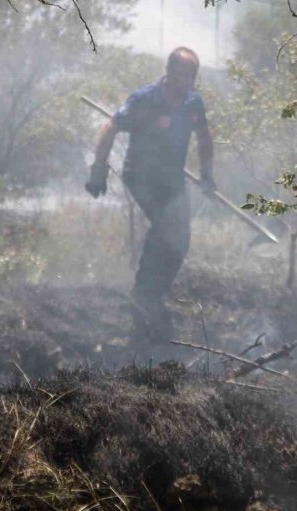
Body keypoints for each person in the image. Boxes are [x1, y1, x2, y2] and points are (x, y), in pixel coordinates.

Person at [85, 47, 215, 343]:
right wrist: (98, 169)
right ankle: (143, 295)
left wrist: (207, 175)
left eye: (191, 76)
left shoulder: (194, 104)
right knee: (167, 228)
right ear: (168, 72)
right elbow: (110, 128)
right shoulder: (145, 99)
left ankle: (151, 294)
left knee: (180, 240)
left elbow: (205, 139)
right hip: (140, 175)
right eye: (182, 74)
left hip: (171, 179)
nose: (187, 81)